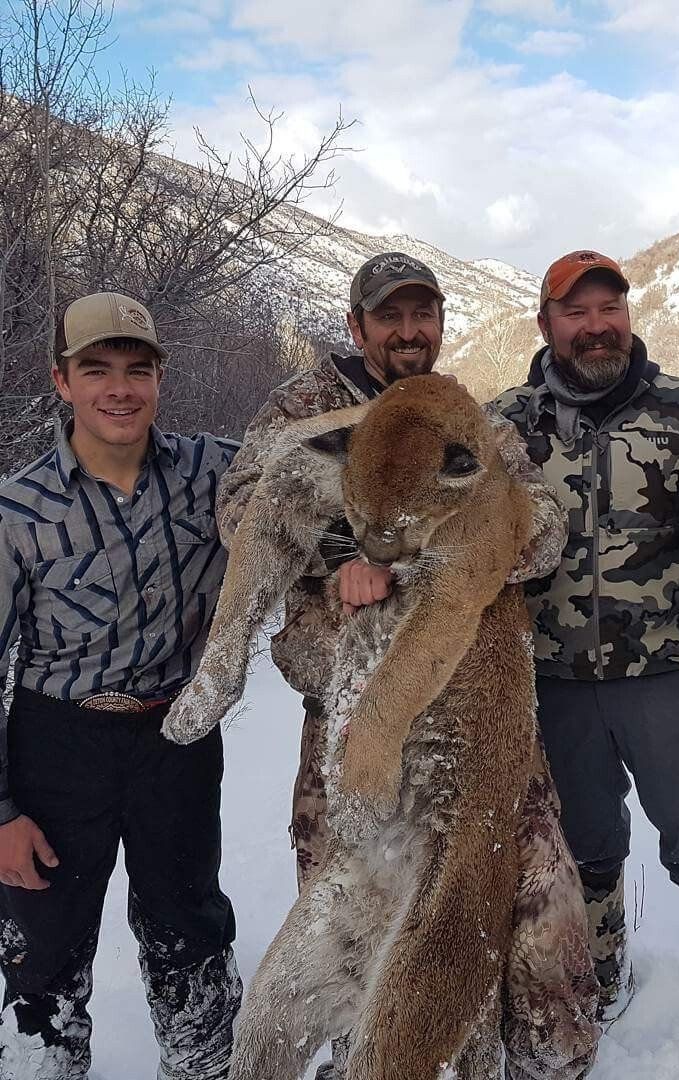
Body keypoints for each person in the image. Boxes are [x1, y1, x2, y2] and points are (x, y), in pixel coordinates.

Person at [217, 252, 599, 1080]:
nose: (408, 331)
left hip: (477, 717)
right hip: (352, 715)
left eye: (422, 314)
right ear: (357, 326)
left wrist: (431, 552)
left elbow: (541, 536)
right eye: (390, 316)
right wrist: (357, 547)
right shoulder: (308, 410)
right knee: (352, 919)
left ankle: (534, 1056)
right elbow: (246, 515)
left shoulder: (466, 420)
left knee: (531, 909)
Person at [495, 250, 679, 1026]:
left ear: (628, 313)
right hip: (551, 677)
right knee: (584, 840)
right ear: (546, 324)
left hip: (667, 672)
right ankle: (600, 970)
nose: (595, 326)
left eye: (608, 307)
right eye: (575, 312)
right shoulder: (504, 425)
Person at [0, 293, 241, 1077]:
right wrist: (1, 812)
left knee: (191, 932)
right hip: (58, 746)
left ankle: (203, 1065)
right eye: (96, 369)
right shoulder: (17, 512)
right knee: (43, 951)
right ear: (61, 381)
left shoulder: (216, 472)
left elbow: (323, 474)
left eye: (138, 369)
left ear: (160, 378)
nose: (120, 388)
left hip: (176, 737)